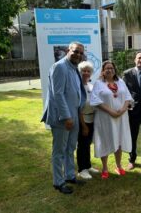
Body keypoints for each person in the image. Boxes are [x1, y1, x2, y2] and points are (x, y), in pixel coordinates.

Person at [41, 41, 87, 194]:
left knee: (70, 148)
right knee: (59, 150)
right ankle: (58, 182)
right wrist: (67, 117)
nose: (78, 55)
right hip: (63, 117)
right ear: (68, 50)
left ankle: (69, 175)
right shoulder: (59, 67)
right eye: (75, 51)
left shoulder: (74, 69)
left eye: (81, 53)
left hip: (73, 115)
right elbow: (58, 94)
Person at [90, 61, 133, 179]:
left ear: (115, 70)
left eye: (111, 68)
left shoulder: (121, 82)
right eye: (107, 68)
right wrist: (111, 111)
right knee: (105, 140)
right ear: (103, 71)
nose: (109, 70)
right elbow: (95, 100)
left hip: (120, 117)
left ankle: (118, 166)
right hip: (105, 118)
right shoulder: (98, 83)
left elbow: (128, 97)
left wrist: (123, 110)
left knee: (118, 140)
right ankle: (104, 168)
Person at [76, 61, 99, 179]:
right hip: (82, 119)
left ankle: (88, 165)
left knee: (87, 144)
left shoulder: (91, 86)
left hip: (91, 118)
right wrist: (83, 125)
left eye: (88, 71)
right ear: (79, 72)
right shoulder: (77, 87)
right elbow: (77, 108)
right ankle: (82, 169)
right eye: (83, 71)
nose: (86, 73)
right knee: (82, 145)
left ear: (91, 73)